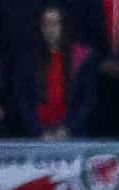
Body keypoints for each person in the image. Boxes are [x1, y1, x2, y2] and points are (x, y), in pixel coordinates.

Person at [10, 4, 99, 139]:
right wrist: (38, 130)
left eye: (54, 23)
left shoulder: (82, 56)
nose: (50, 29)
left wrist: (69, 128)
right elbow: (23, 100)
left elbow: (87, 100)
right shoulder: (28, 59)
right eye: (46, 24)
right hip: (39, 134)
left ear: (63, 26)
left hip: (73, 133)